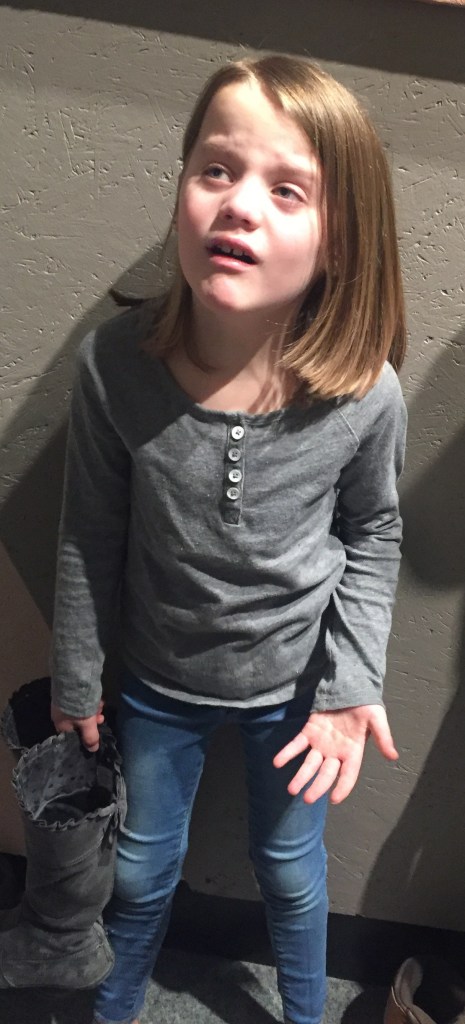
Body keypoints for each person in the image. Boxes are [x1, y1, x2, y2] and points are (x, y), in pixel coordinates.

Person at [50, 53, 407, 1024]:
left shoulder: (363, 393)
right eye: (216, 169)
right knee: (139, 868)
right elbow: (88, 532)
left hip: (296, 694)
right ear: (182, 190)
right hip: (156, 682)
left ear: (340, 239)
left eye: (287, 189)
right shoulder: (117, 365)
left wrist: (352, 683)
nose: (239, 204)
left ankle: (304, 1013)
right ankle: (113, 1005)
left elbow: (374, 533)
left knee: (291, 872)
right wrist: (77, 675)